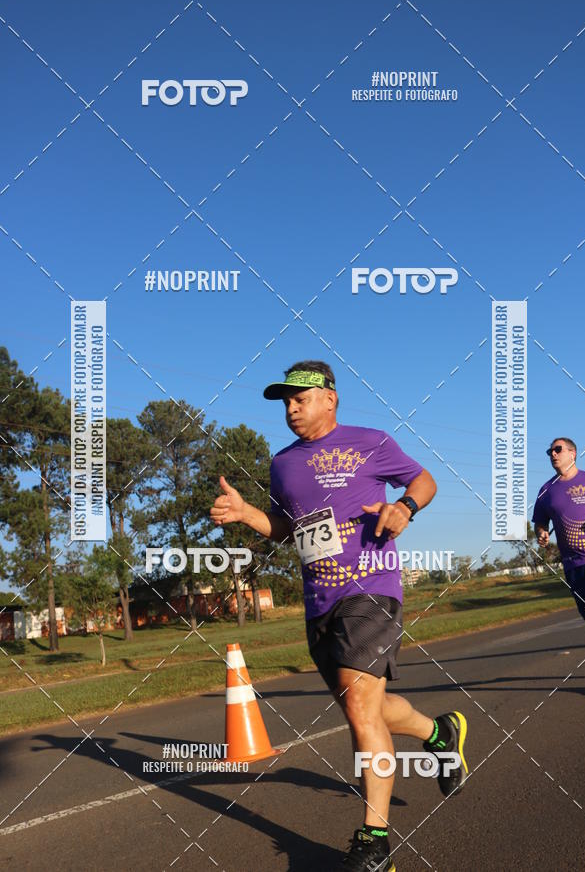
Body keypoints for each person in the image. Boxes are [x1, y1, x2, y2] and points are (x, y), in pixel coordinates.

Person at [210, 360, 468, 871]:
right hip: (319, 603)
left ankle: (375, 842)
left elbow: (423, 480)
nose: (291, 408)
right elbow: (288, 527)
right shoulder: (282, 464)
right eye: (285, 401)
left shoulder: (370, 441)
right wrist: (247, 515)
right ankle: (440, 734)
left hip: (371, 589)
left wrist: (405, 509)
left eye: (300, 398)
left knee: (358, 708)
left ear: (330, 397)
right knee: (365, 706)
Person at [533, 437, 585, 633]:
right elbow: (540, 521)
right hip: (572, 565)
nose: (553, 454)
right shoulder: (546, 491)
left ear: (573, 453)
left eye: (558, 450)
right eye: (550, 452)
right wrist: (542, 533)